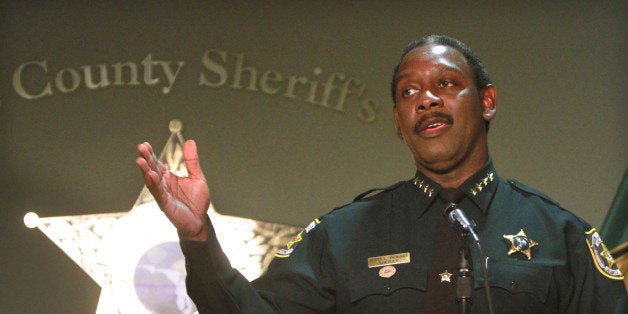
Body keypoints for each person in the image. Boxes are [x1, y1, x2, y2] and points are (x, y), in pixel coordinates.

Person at [136, 35, 625, 313]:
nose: (427, 99)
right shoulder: (343, 236)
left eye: (447, 84)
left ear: (487, 102)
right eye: (409, 93)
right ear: (398, 122)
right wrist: (199, 239)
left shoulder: (561, 236)